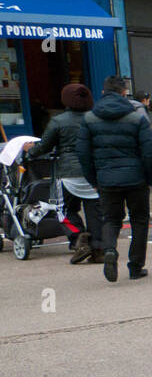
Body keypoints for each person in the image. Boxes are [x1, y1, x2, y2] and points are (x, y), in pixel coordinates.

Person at [76, 76, 152, 282]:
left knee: (111, 220)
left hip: (106, 179)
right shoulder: (136, 117)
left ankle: (110, 250)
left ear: (103, 93)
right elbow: (150, 150)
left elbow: (82, 154)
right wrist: (150, 177)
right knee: (140, 220)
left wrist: (94, 180)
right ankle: (136, 266)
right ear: (124, 93)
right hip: (136, 179)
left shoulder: (89, 119)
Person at [26, 83, 104, 264]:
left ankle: (78, 237)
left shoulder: (58, 121)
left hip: (68, 173)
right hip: (94, 172)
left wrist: (29, 152)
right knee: (95, 213)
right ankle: (98, 249)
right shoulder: (97, 119)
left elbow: (44, 146)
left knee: (63, 210)